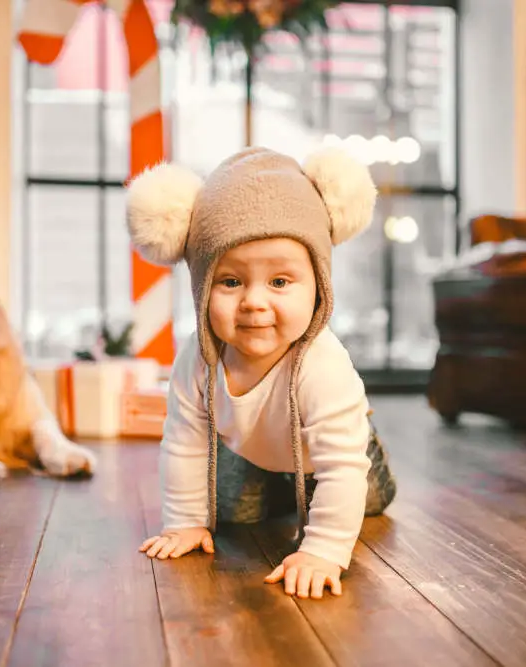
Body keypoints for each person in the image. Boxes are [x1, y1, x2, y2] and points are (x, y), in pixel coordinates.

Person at [126, 146, 397, 600]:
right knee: (229, 513)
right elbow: (185, 441)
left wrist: (323, 551)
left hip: (328, 452)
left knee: (364, 501)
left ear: (318, 288)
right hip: (250, 448)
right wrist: (186, 521)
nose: (254, 302)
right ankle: (279, 488)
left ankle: (341, 468)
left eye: (279, 282)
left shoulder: (322, 364)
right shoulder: (199, 360)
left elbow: (341, 467)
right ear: (200, 287)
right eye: (230, 282)